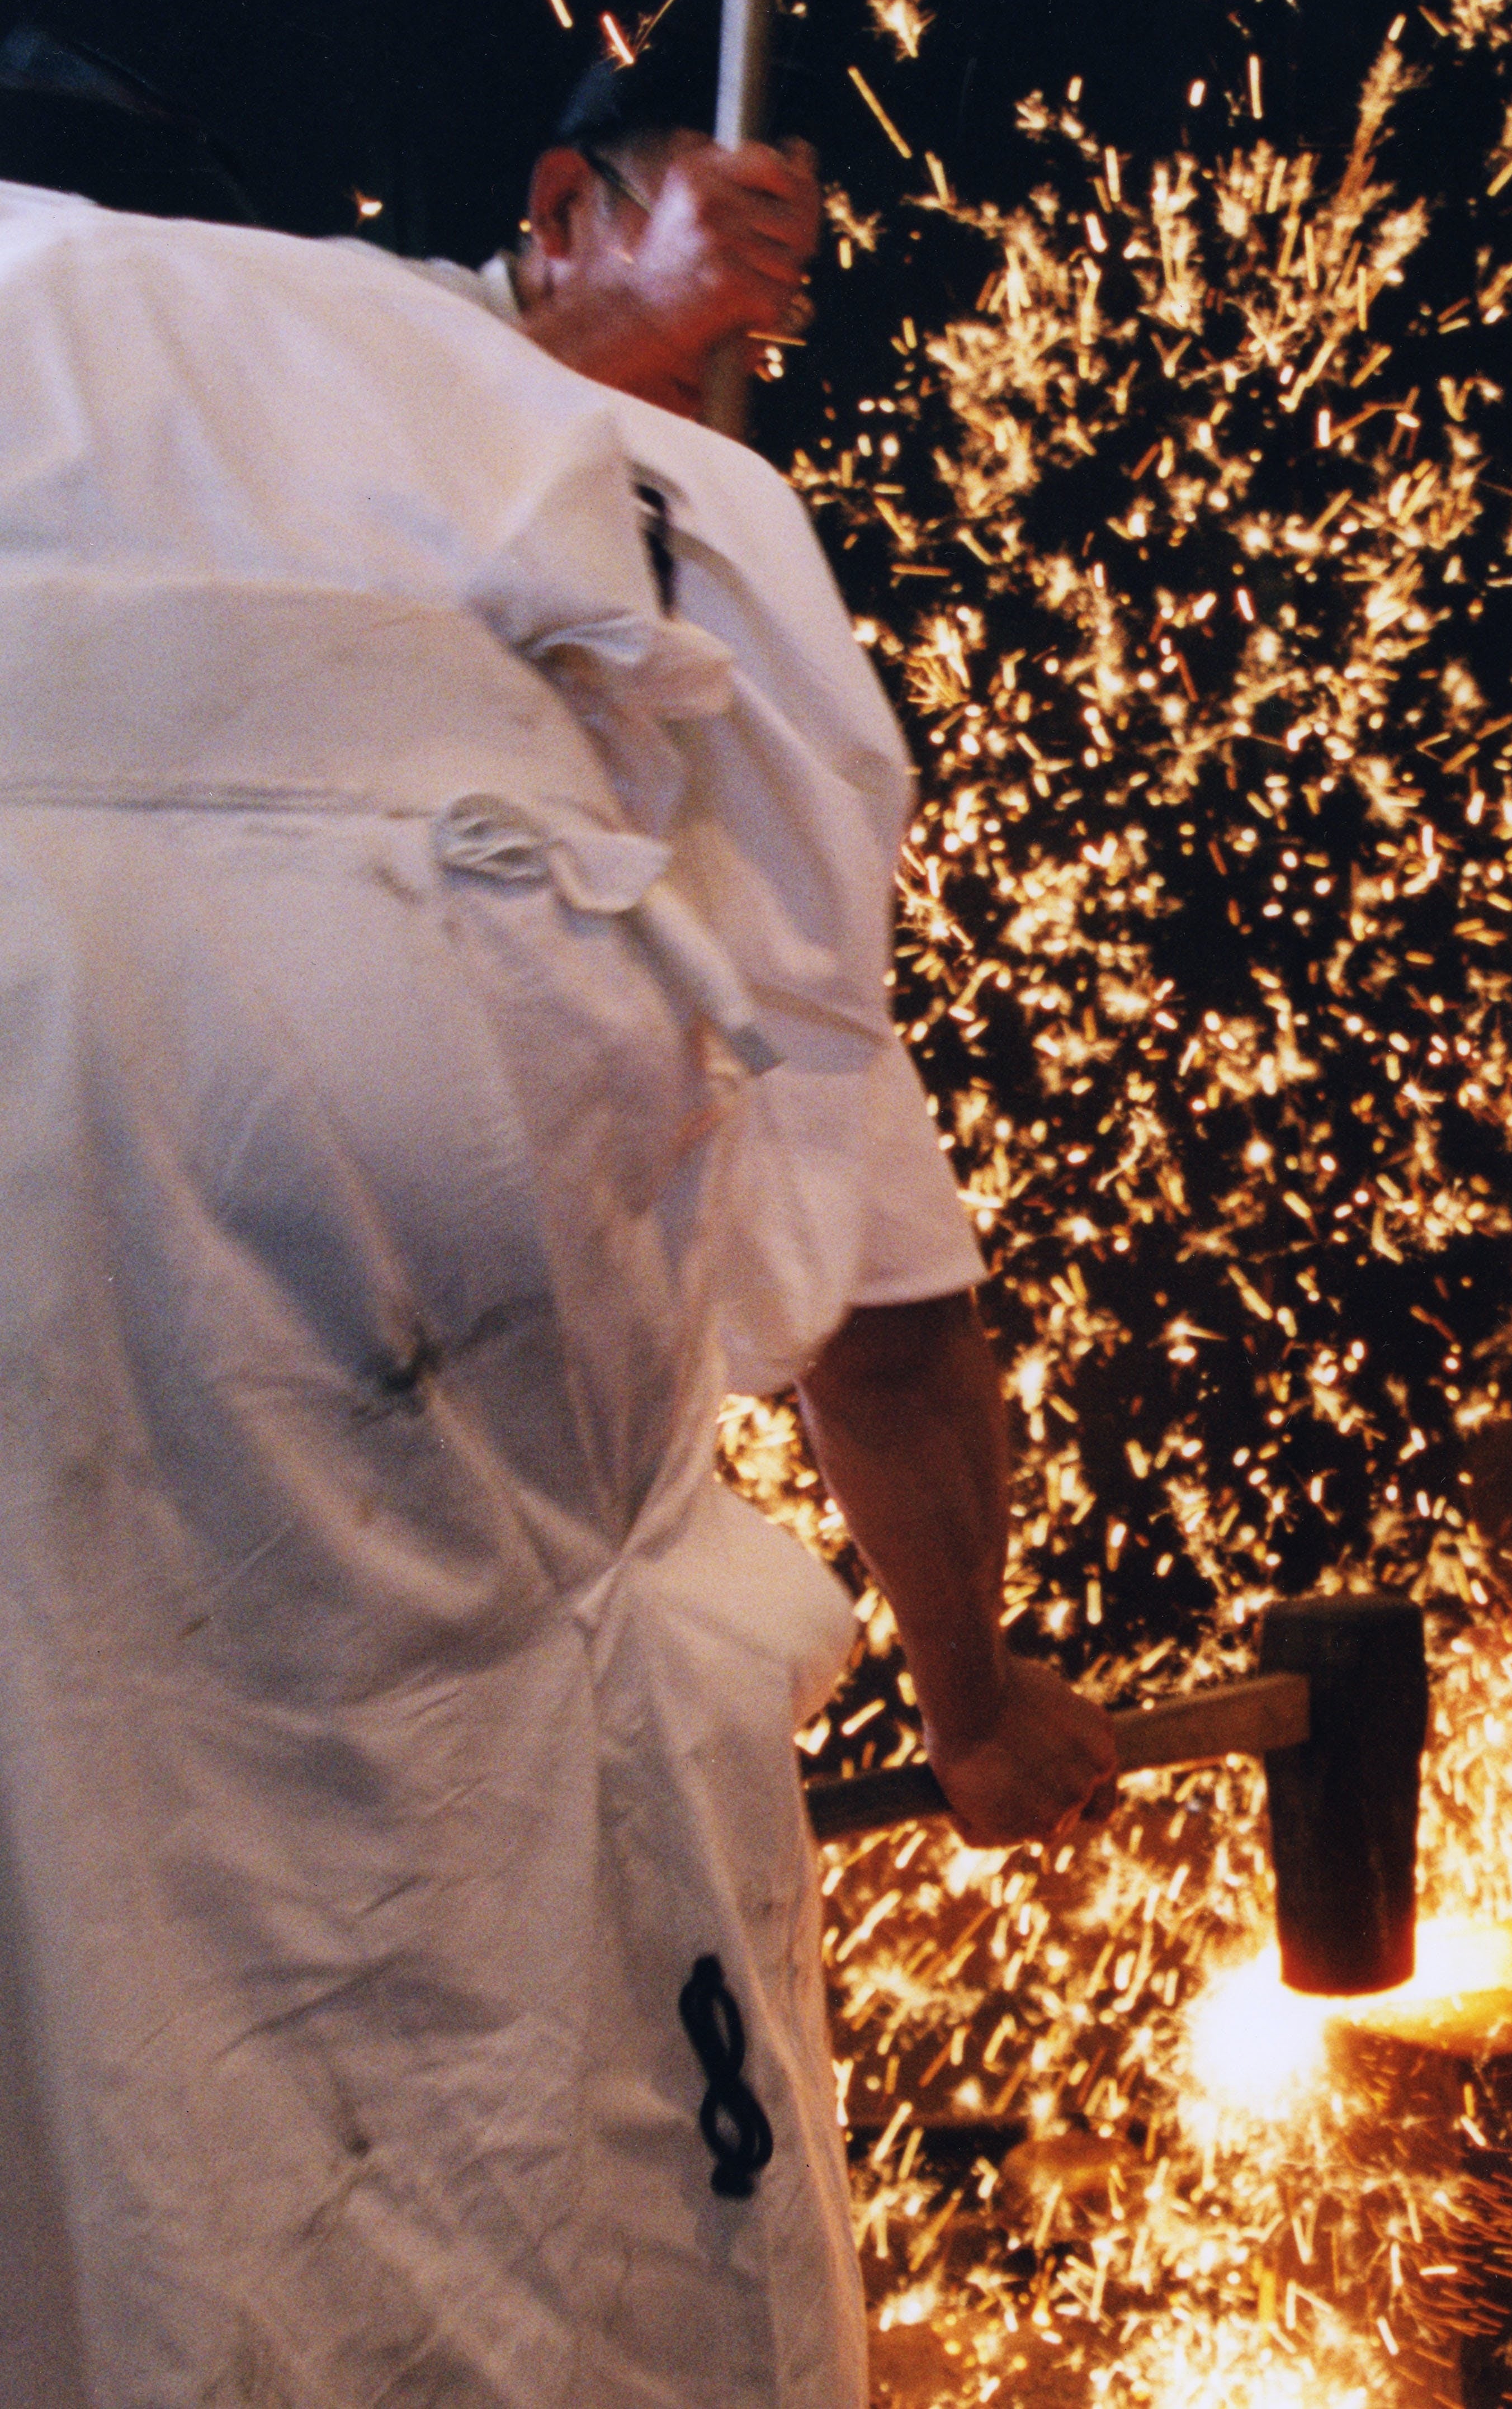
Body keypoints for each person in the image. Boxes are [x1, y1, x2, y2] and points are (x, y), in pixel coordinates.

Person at [0, 179, 1109, 2404]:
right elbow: (879, 1306)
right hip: (414, 945)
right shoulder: (574, 456)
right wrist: (976, 1699)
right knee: (511, 1891)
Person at [401, 30, 823, 418]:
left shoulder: (687, 458)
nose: (741, 310)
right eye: (707, 245)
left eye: (765, 272)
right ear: (561, 205)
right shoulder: (386, 313)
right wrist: (643, 306)